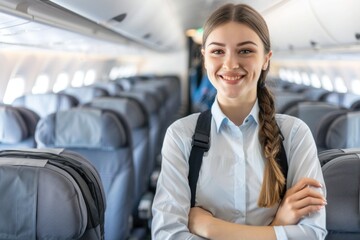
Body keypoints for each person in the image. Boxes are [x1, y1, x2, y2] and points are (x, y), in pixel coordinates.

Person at [152, 3, 327, 240]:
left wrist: (211, 228)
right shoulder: (181, 135)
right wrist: (278, 225)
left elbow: (312, 233)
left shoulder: (295, 135)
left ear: (266, 59)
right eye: (218, 51)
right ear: (204, 58)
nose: (231, 64)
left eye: (245, 51)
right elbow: (167, 235)